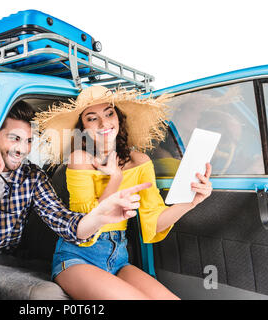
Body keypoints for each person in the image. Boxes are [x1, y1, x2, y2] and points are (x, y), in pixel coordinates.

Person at [0, 101, 149, 258]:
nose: (23, 149)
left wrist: (100, 215)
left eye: (29, 141)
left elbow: (66, 223)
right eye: (14, 138)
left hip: (7, 256)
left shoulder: (32, 178)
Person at [34, 86, 213, 300]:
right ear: (83, 127)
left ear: (119, 118)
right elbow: (88, 226)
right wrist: (115, 178)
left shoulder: (140, 162)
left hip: (119, 258)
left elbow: (153, 222)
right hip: (79, 256)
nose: (103, 123)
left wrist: (192, 202)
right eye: (92, 118)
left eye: (109, 113)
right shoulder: (80, 159)